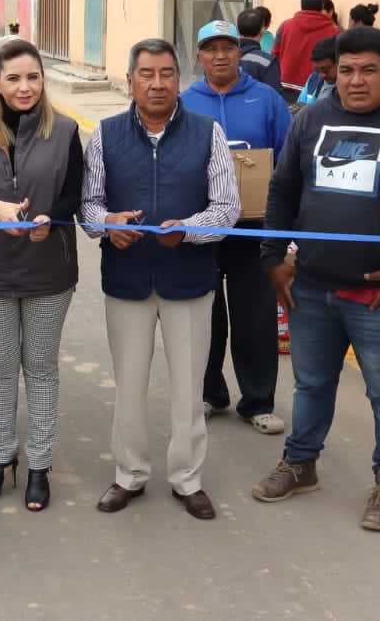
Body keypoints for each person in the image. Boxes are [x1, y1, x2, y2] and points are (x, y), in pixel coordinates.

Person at [252, 27, 380, 532]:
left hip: (379, 297)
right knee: (311, 383)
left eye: (369, 70)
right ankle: (300, 464)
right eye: (347, 70)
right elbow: (281, 189)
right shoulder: (312, 119)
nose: (356, 80)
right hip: (311, 287)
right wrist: (273, 255)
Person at [81, 39, 240, 520]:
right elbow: (88, 206)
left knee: (189, 387)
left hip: (188, 280)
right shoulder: (105, 135)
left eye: (167, 73)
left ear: (179, 79)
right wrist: (108, 223)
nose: (156, 83)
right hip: (127, 279)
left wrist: (189, 233)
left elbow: (227, 207)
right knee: (128, 383)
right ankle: (128, 475)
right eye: (146, 73)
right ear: (129, 81)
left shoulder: (207, 132)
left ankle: (187, 478)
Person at [0, 39, 82, 513]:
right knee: (0, 368)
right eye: (13, 78)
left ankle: (39, 465)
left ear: (43, 80)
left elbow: (74, 194)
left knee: (42, 368)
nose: (24, 86)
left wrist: (51, 219)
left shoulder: (67, 130)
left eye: (33, 77)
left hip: (49, 271)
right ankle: (0, 459)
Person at [182, 22, 292, 436]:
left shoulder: (267, 100)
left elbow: (288, 161)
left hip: (253, 230)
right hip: (203, 229)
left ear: (239, 52)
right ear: (199, 56)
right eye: (211, 48)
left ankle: (258, 401)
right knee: (203, 317)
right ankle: (211, 394)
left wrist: (286, 231)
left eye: (228, 47)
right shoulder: (185, 102)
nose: (221, 55)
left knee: (256, 317)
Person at [271, 0, 340, 103]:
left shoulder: (285, 26)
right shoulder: (334, 31)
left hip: (285, 87)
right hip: (315, 90)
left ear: (301, 5)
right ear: (320, 8)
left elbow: (274, 55)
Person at [235, 9, 282, 88]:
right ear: (262, 30)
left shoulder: (226, 57)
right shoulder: (267, 61)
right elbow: (275, 95)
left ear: (238, 29)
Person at [294, 37, 339, 109]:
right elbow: (298, 106)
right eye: (317, 70)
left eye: (325, 70)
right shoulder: (313, 78)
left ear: (339, 63)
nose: (321, 75)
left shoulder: (347, 89)